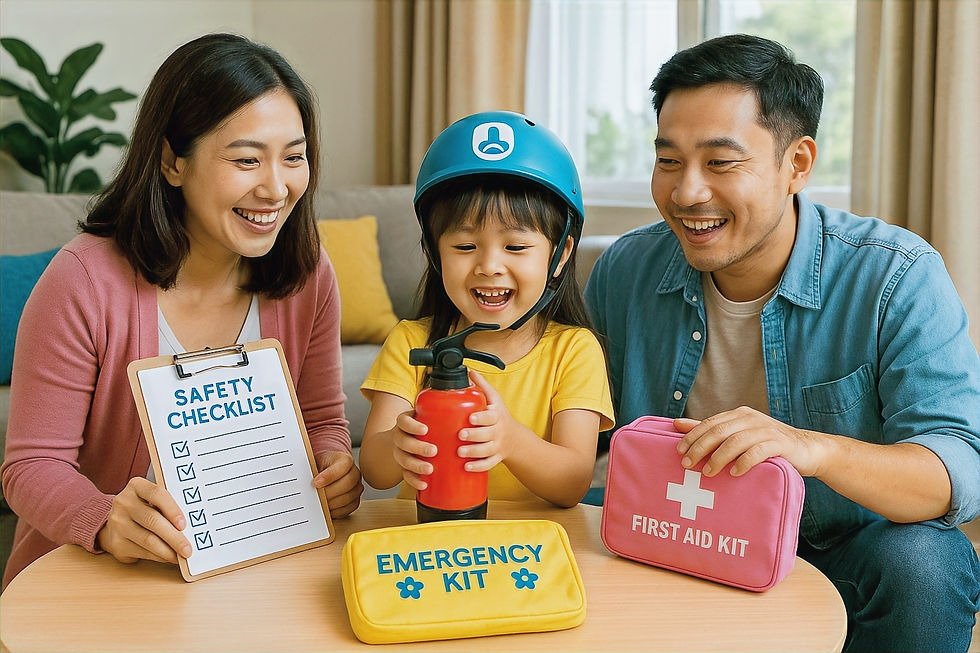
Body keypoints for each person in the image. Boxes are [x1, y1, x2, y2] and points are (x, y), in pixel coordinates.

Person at [585, 34, 980, 652]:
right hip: (673, 541)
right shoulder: (624, 270)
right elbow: (582, 436)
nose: (687, 193)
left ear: (796, 164)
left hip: (834, 551)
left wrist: (809, 449)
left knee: (926, 563)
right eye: (668, 160)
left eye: (720, 162)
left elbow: (953, 473)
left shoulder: (894, 275)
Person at [0, 33, 363, 589]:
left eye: (294, 157)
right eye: (246, 160)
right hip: (93, 580)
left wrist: (334, 466)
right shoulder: (83, 281)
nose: (276, 187)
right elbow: (30, 467)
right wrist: (103, 520)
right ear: (172, 161)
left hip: (255, 570)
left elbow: (321, 424)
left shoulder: (308, 275)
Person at [359, 111, 614, 507]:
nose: (490, 266)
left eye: (515, 247)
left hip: (530, 554)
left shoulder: (574, 351)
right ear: (434, 253)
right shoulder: (412, 341)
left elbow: (573, 484)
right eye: (464, 247)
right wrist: (398, 444)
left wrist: (512, 440)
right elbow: (375, 473)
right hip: (431, 545)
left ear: (560, 255)